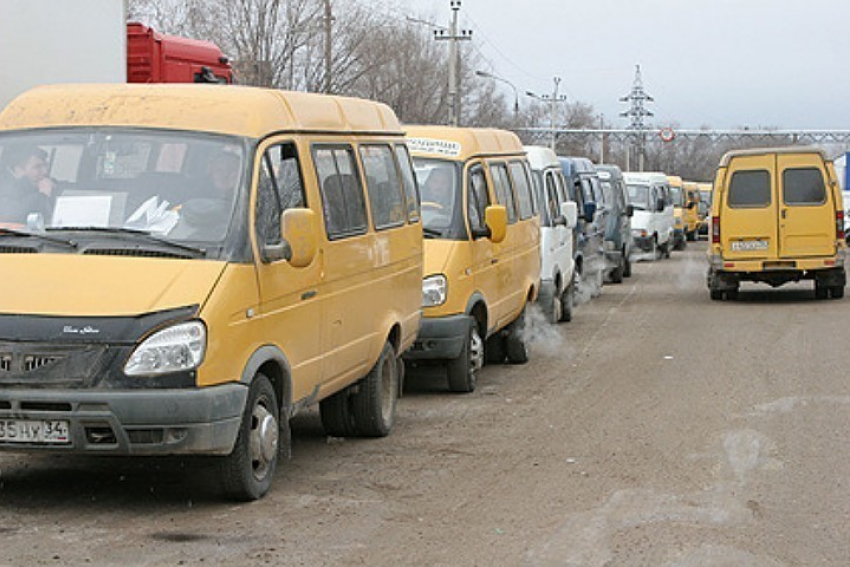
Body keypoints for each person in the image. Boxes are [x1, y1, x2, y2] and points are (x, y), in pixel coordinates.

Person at [0, 146, 54, 225]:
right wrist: (42, 195)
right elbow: (10, 215)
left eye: (45, 166)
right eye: (37, 167)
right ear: (18, 170)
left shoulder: (50, 185)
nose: (45, 171)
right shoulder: (5, 190)